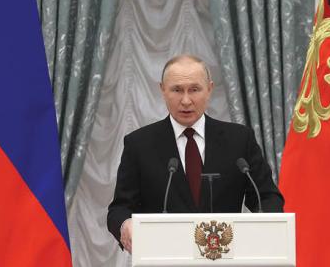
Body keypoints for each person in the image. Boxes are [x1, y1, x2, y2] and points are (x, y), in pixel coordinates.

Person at [107, 54, 284, 253]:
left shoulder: (239, 140)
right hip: (164, 257)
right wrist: (125, 224)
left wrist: (263, 228)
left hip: (225, 257)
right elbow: (119, 208)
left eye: (194, 89)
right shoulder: (139, 144)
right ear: (162, 90)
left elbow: (267, 198)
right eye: (176, 90)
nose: (186, 100)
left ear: (209, 89)